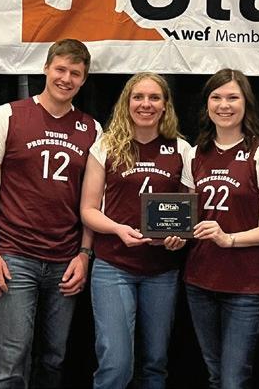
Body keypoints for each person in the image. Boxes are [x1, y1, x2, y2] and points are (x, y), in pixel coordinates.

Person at [0, 38, 101, 389]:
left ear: (84, 79)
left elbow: (94, 202)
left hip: (64, 259)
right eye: (60, 69)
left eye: (75, 73)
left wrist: (84, 254)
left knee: (54, 357)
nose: (66, 79)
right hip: (14, 256)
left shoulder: (92, 129)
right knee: (11, 358)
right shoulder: (8, 115)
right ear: (45, 68)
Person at [80, 72, 189, 389]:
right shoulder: (106, 146)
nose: (146, 104)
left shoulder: (181, 149)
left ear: (165, 105)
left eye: (154, 97)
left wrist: (179, 238)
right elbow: (88, 210)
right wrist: (118, 229)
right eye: (138, 97)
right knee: (116, 363)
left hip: (162, 271)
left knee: (155, 363)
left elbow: (189, 210)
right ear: (126, 103)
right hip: (114, 266)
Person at [182, 69, 259, 389]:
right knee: (215, 376)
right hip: (199, 280)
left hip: (246, 285)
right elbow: (188, 219)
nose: (224, 105)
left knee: (233, 379)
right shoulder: (195, 154)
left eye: (232, 97)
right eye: (216, 97)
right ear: (207, 104)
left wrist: (229, 239)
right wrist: (173, 237)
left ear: (246, 103)